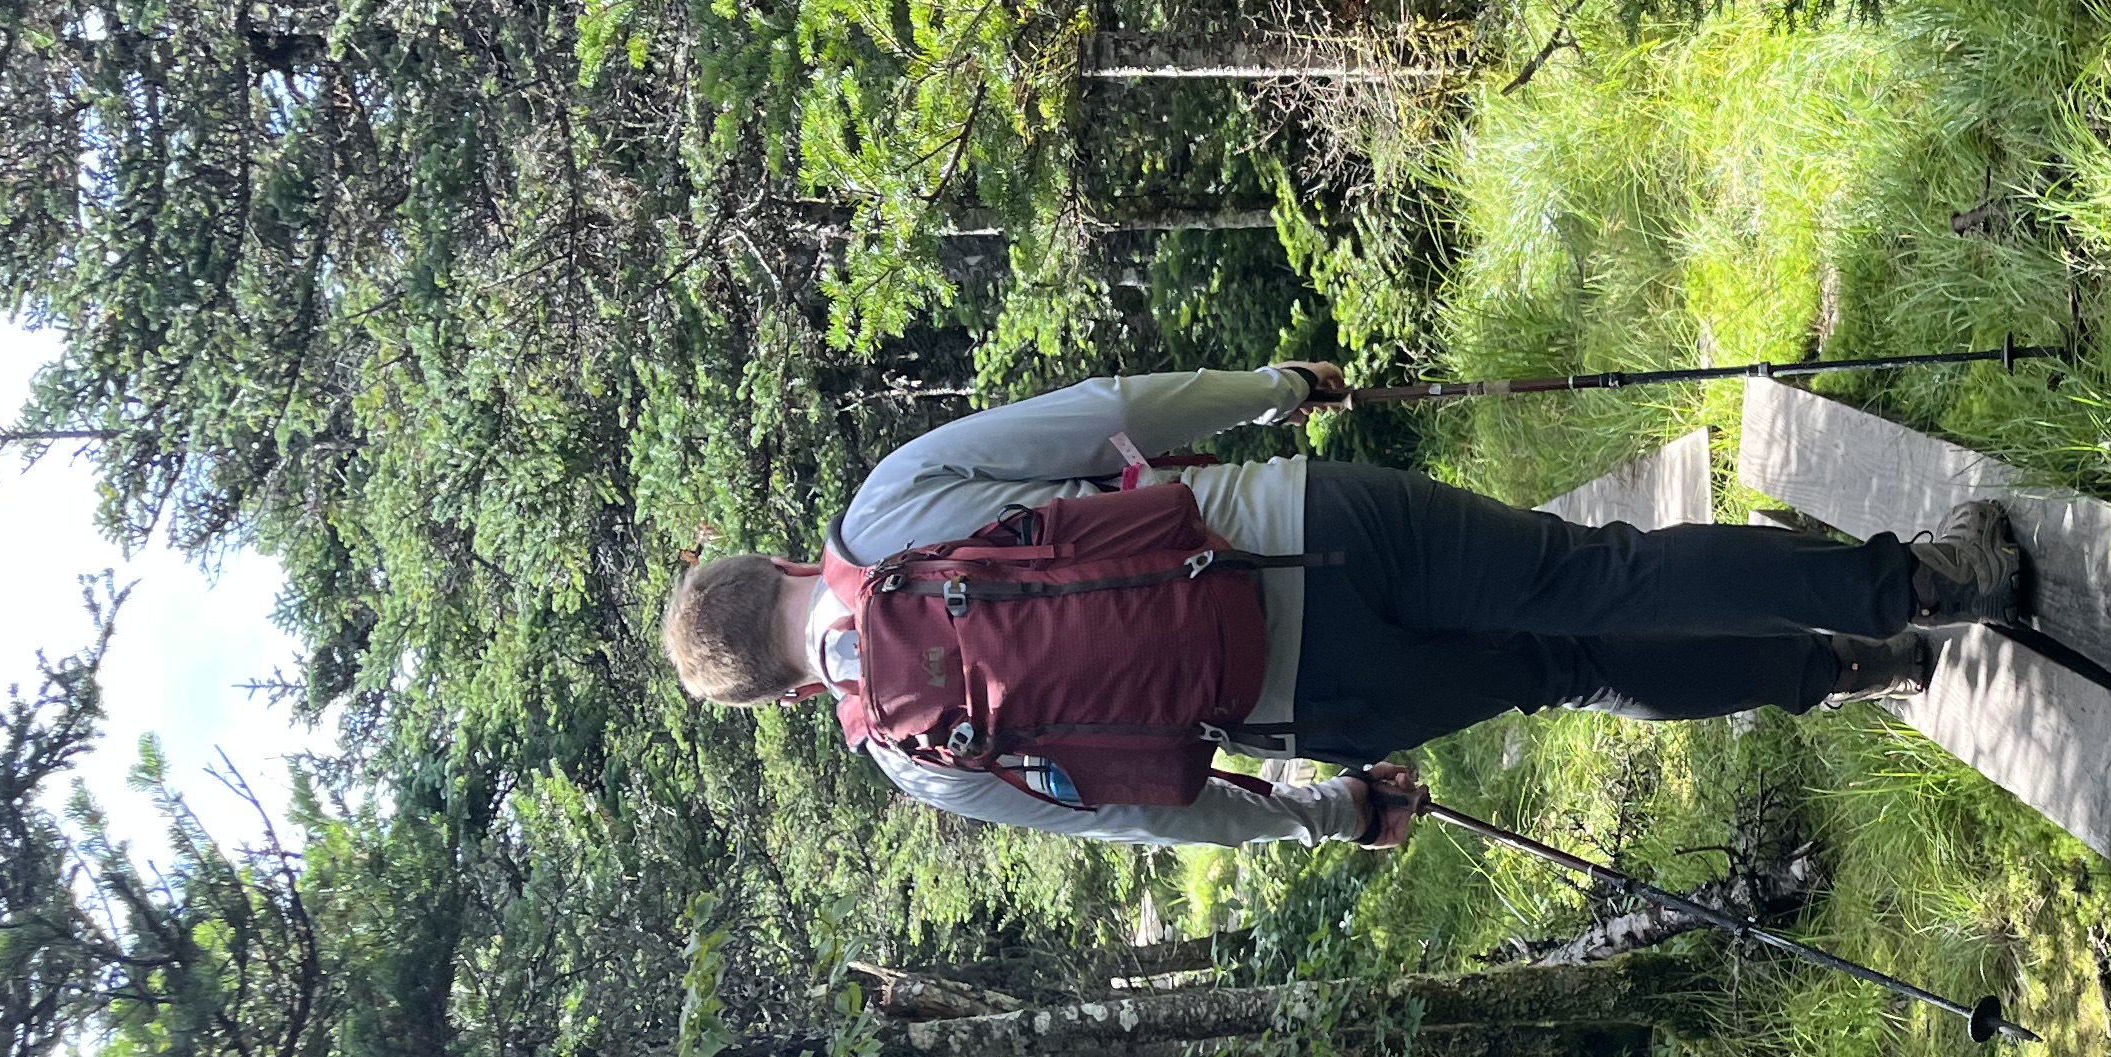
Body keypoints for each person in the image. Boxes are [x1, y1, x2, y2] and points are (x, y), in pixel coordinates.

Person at [659, 360, 2030, 850]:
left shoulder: (911, 758)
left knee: (1568, 666)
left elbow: (1145, 810)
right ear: (779, 564)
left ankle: (1848, 668)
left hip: (1315, 701)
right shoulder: (887, 507)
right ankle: (1925, 580)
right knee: (1593, 571)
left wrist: (1328, 810)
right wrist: (1271, 390)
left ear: (786, 697)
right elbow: (1104, 419)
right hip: (1302, 535)